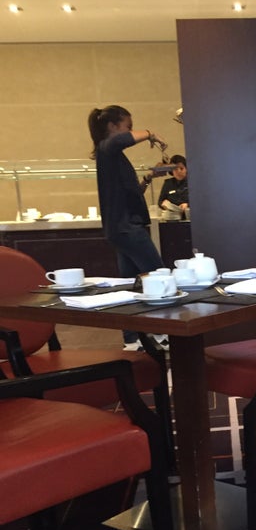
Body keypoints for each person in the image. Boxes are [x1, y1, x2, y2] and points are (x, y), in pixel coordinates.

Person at [88, 104, 168, 350]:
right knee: (158, 277)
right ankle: (162, 334)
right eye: (128, 126)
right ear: (112, 126)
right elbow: (121, 140)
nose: (131, 131)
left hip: (121, 228)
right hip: (126, 228)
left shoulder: (111, 157)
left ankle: (132, 339)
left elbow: (130, 194)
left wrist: (148, 178)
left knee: (130, 284)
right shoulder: (107, 148)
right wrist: (150, 134)